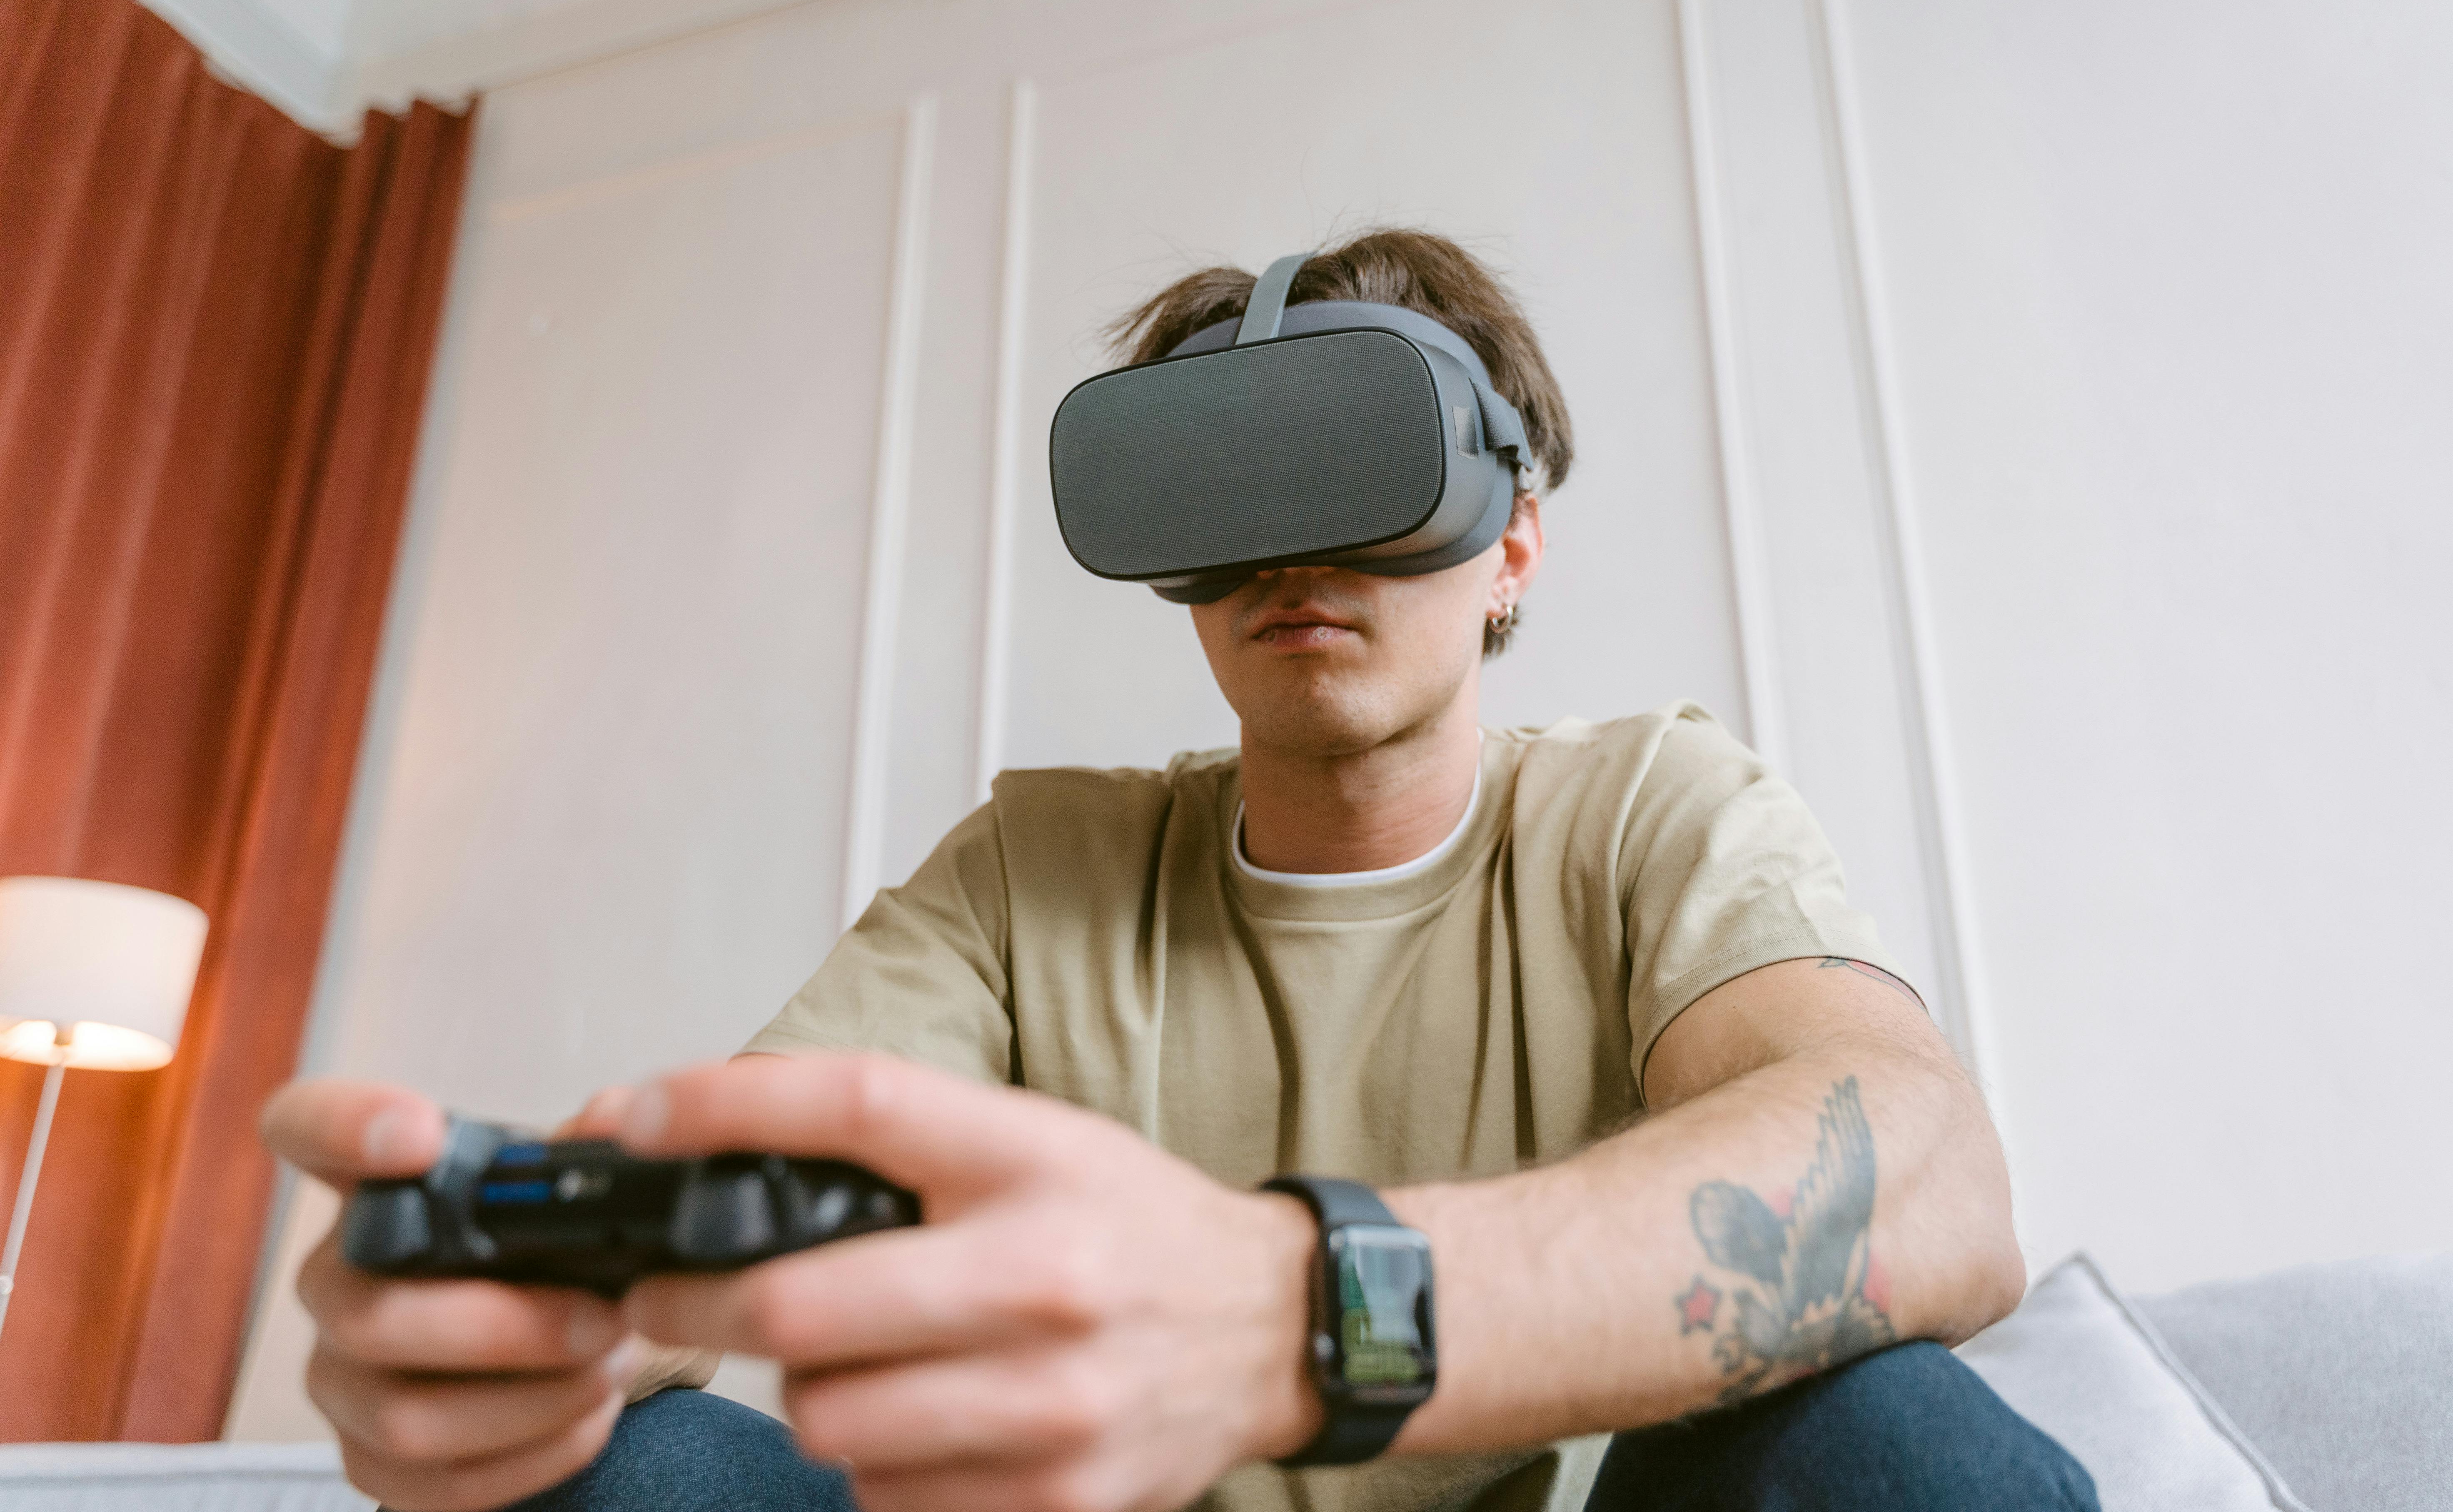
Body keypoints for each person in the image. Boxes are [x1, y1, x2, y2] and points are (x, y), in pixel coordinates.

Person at [262, 231, 2097, 1512]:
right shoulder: (1037, 866)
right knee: (624, 1476)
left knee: (1891, 1434)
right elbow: (752, 1155)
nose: (1294, 551)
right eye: (1228, 493)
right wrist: (529, 1328)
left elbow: (1928, 1178)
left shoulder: (1648, 810)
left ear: (1514, 538)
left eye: (1358, 470)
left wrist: (1289, 1310)